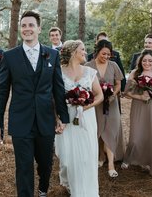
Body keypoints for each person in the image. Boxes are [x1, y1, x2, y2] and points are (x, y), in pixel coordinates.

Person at [0, 11, 69, 197]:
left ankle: (43, 189)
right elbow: (2, 92)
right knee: (24, 167)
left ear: (39, 29)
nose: (27, 29)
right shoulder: (10, 57)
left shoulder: (51, 55)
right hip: (21, 121)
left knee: (45, 163)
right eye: (24, 26)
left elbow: (58, 88)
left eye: (31, 25)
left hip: (45, 119)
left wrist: (63, 117)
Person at [55, 40, 104, 196]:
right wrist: (57, 118)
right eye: (82, 49)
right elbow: (53, 98)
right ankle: (69, 183)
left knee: (86, 155)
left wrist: (85, 106)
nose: (85, 52)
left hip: (85, 119)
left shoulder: (90, 72)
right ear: (73, 52)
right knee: (67, 159)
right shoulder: (58, 72)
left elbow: (99, 95)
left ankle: (86, 190)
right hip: (66, 118)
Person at [122, 49, 152, 183]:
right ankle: (129, 158)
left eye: (149, 60)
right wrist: (140, 96)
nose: (147, 63)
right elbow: (126, 93)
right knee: (136, 137)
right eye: (144, 60)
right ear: (140, 62)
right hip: (138, 107)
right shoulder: (135, 73)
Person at [85, 40, 125, 178]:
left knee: (110, 131)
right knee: (97, 130)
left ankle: (111, 165)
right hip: (95, 104)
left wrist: (113, 94)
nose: (106, 56)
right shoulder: (88, 66)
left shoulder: (113, 65)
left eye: (109, 54)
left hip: (111, 103)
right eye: (104, 54)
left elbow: (118, 83)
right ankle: (100, 157)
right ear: (97, 52)